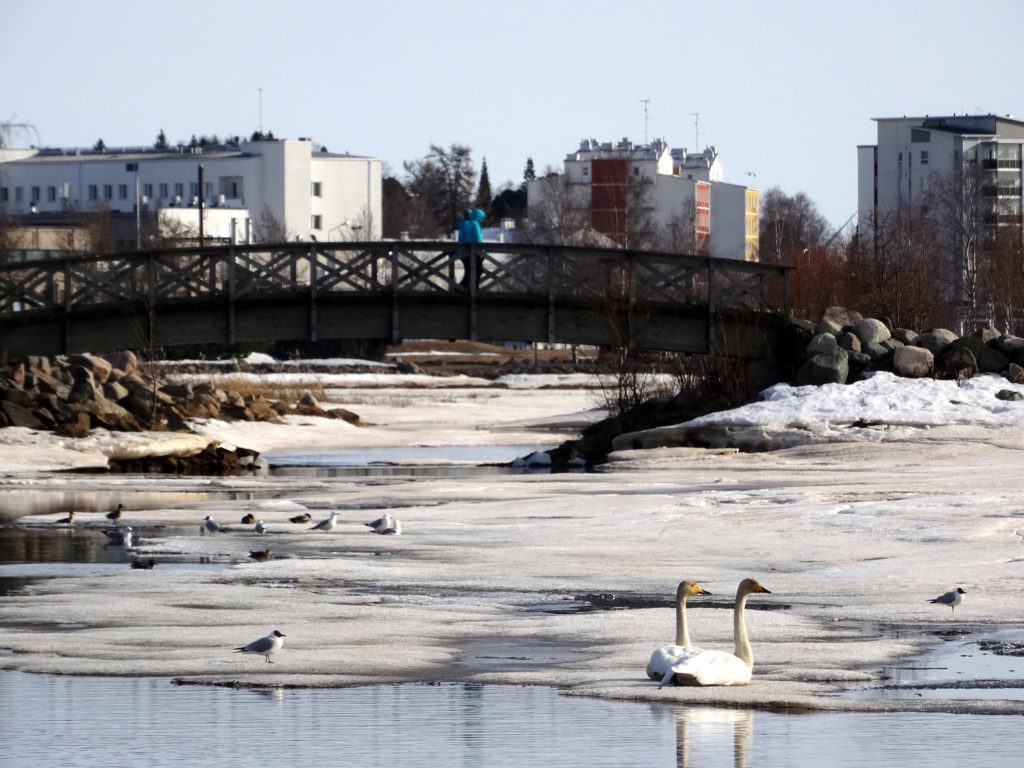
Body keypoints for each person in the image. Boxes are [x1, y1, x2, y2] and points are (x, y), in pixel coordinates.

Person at [456, 208, 485, 288]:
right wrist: (482, 250)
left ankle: (464, 289)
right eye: (481, 217)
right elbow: (478, 239)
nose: (482, 220)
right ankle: (472, 289)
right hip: (474, 252)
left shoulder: (464, 225)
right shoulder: (474, 224)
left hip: (464, 252)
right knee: (478, 270)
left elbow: (462, 238)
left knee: (469, 272)